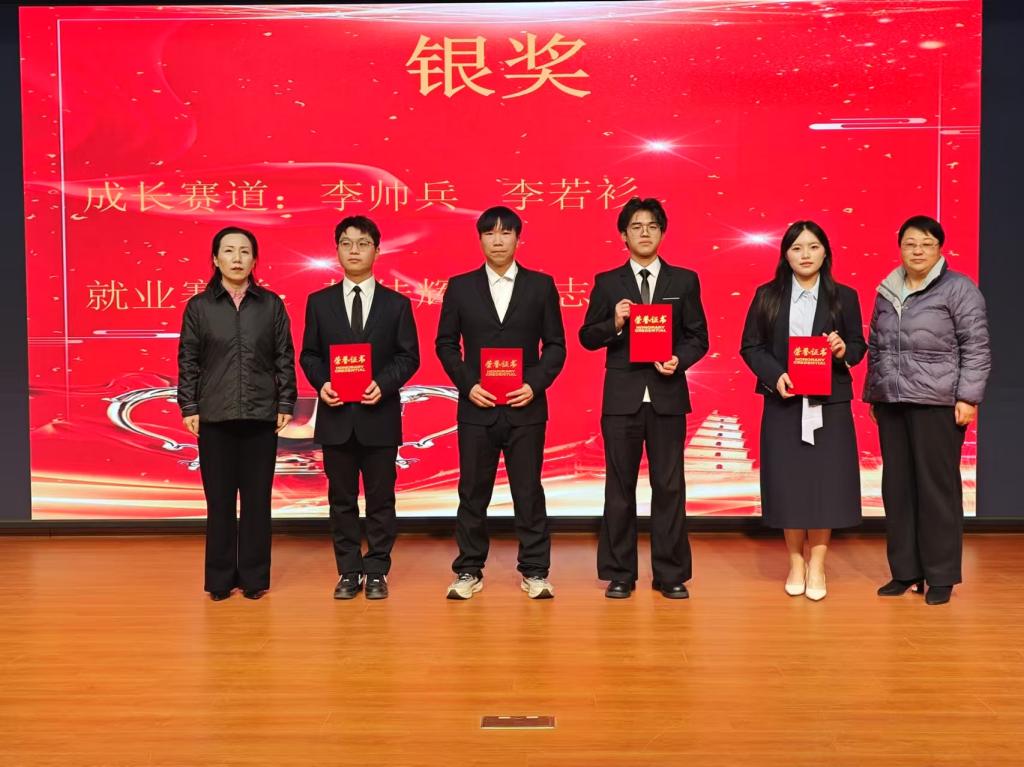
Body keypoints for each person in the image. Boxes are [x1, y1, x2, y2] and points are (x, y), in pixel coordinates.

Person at [579, 197, 709, 599]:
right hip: (622, 400)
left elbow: (698, 337)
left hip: (668, 396)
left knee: (669, 487)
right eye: (636, 226)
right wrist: (615, 322)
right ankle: (620, 573)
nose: (645, 232)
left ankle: (670, 573)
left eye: (652, 225)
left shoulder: (683, 281)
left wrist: (679, 359)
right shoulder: (607, 282)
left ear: (662, 232)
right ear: (624, 235)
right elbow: (587, 337)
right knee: (619, 488)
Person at [435, 206, 566, 600]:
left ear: (518, 239)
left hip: (526, 408)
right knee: (472, 492)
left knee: (528, 492)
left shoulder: (541, 286)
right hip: (477, 408)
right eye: (490, 233)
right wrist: (468, 384)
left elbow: (556, 345)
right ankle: (468, 569)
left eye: (505, 233)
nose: (497, 240)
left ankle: (535, 571)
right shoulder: (461, 287)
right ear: (479, 240)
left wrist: (534, 384)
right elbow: (446, 344)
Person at [865, 215, 991, 605]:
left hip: (938, 403)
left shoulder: (959, 289)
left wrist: (968, 397)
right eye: (910, 243)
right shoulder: (887, 290)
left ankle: (940, 576)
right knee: (897, 489)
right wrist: (874, 394)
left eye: (926, 243)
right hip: (892, 403)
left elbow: (976, 347)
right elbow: (876, 346)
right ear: (899, 247)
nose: (917, 250)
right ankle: (905, 571)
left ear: (939, 248)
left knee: (937, 490)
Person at [739, 221, 866, 600]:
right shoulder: (767, 295)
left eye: (813, 247)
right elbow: (751, 346)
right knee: (789, 484)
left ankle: (818, 565)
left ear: (825, 252)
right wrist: (775, 375)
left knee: (825, 484)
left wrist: (842, 351)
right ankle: (795, 562)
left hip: (830, 404)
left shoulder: (844, 296)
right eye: (797, 248)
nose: (805, 255)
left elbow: (858, 346)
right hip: (785, 402)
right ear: (786, 255)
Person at [300, 216, 420, 600]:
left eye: (363, 243)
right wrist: (322, 383)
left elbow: (409, 356)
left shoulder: (397, 304)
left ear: (377, 251)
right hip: (336, 417)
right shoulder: (319, 303)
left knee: (381, 500)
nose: (354, 250)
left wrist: (382, 384)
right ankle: (349, 570)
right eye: (346, 243)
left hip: (379, 417)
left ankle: (378, 569)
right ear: (336, 250)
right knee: (342, 500)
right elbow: (309, 355)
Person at [177, 226, 296, 601]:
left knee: (258, 502)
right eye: (228, 251)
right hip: (215, 417)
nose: (237, 258)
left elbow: (284, 357)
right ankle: (219, 580)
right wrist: (189, 405)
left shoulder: (271, 305)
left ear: (255, 260)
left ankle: (255, 578)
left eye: (245, 251)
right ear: (216, 259)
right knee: (220, 503)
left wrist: (286, 402)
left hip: (261, 417)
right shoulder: (199, 307)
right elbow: (188, 361)